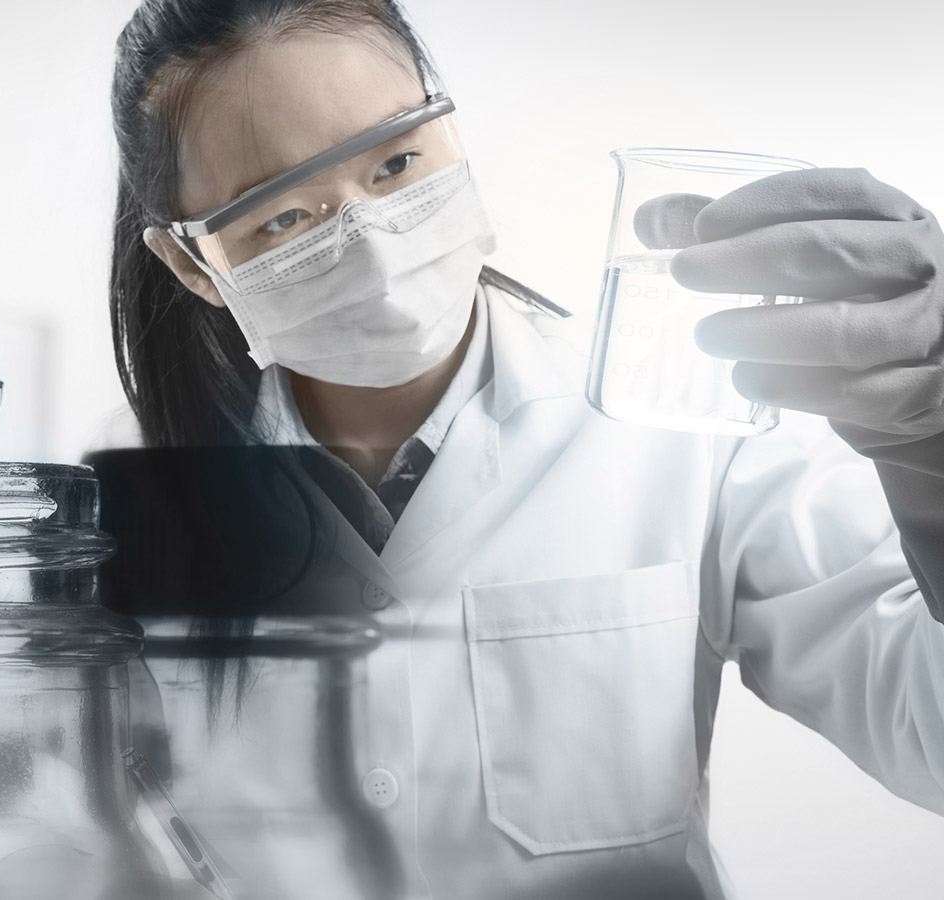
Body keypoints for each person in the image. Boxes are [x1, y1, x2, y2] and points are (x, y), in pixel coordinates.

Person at [101, 0, 944, 897]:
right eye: (284, 219)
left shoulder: (683, 434)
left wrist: (931, 448)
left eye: (395, 162)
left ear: (451, 131)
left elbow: (928, 737)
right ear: (194, 264)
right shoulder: (113, 518)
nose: (374, 247)